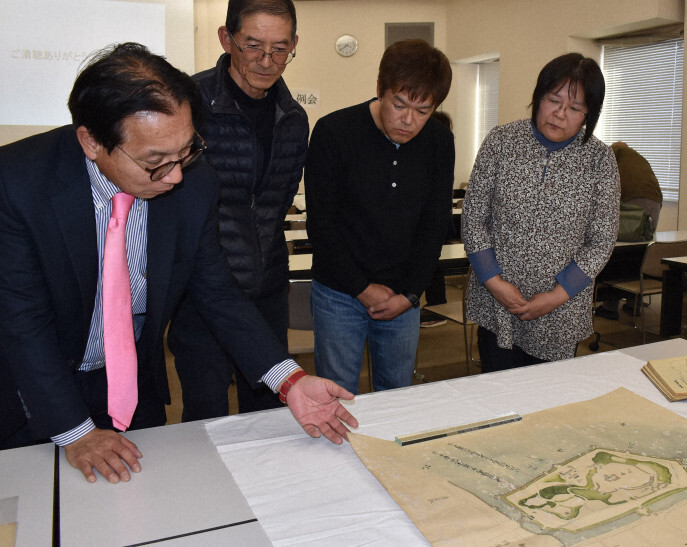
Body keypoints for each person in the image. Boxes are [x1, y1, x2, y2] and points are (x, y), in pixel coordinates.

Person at [0, 42, 357, 484]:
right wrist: (75, 433)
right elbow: (22, 324)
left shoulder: (194, 184)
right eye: (155, 163)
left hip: (131, 389)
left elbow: (217, 290)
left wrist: (290, 380)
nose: (175, 176)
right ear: (92, 141)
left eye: (186, 151)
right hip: (32, 395)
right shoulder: (17, 183)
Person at [167, 0, 307, 421]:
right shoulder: (190, 107)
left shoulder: (293, 117)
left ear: (294, 44)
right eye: (253, 46)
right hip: (202, 293)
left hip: (266, 286)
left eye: (280, 49)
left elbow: (279, 200)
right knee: (206, 411)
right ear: (227, 40)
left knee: (267, 410)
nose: (268, 62)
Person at [304, 39, 455, 394]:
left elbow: (434, 223)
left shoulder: (438, 141)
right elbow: (321, 224)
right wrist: (361, 288)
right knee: (337, 394)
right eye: (399, 104)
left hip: (403, 295)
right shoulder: (334, 131)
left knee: (397, 396)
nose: (408, 120)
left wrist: (410, 292)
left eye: (423, 110)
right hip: (339, 292)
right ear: (380, 90)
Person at [461, 52, 620, 373]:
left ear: (589, 114)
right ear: (538, 97)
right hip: (497, 302)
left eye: (575, 108)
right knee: (498, 395)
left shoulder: (599, 161)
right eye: (553, 100)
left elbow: (601, 241)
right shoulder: (502, 142)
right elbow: (474, 219)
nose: (560, 114)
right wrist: (494, 282)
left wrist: (557, 295)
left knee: (547, 403)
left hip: (560, 310)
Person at [595, 141, 663, 320]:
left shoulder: (614, 153)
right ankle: (635, 304)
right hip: (655, 202)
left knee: (615, 251)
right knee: (641, 250)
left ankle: (610, 306)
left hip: (631, 202)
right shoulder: (638, 158)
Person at [419, 110, 455, 328]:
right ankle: (436, 306)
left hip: (434, 221)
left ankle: (437, 308)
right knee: (434, 265)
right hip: (439, 220)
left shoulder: (436, 153)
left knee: (433, 265)